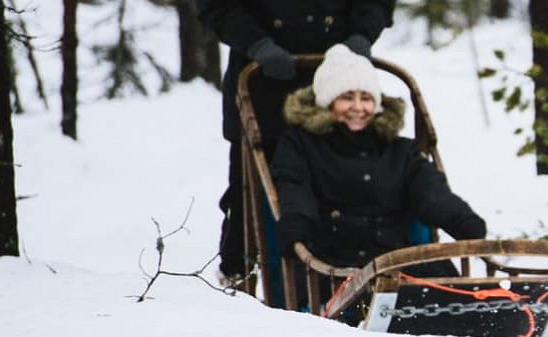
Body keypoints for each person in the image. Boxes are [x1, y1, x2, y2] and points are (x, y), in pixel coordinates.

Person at [197, 0, 397, 283]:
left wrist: (362, 34)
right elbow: (218, 7)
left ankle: (351, 277)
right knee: (253, 194)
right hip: (264, 84)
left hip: (338, 77)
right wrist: (256, 43)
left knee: (350, 186)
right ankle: (239, 280)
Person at [272, 45, 486, 275]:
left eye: (366, 98)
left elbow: (431, 193)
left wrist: (462, 221)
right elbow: (294, 188)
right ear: (327, 102)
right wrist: (297, 225)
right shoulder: (301, 145)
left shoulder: (399, 150)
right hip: (333, 265)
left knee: (456, 292)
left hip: (394, 259)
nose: (358, 107)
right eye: (346, 97)